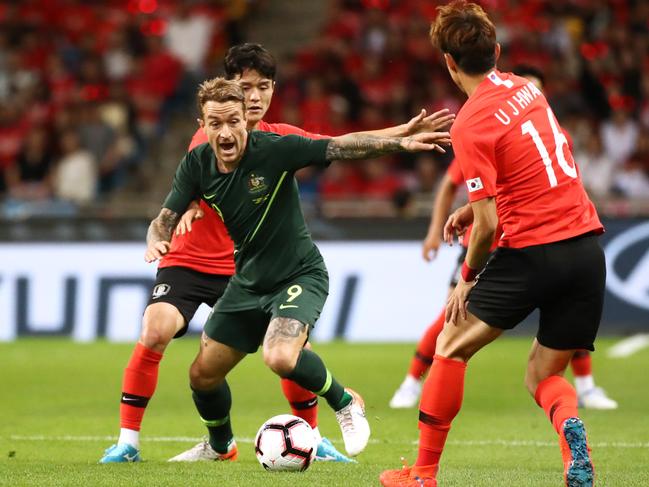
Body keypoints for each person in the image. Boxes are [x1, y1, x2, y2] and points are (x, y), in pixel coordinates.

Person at [100, 43, 453, 464]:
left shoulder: (276, 145)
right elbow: (165, 213)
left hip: (296, 273)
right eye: (218, 122)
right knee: (201, 375)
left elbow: (341, 145)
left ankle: (344, 403)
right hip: (244, 278)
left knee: (280, 355)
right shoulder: (198, 158)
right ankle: (218, 446)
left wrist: (401, 138)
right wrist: (157, 235)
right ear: (204, 123)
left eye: (240, 113)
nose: (227, 131)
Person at [380, 2, 604, 486]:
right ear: (498, 51)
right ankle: (570, 433)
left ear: (448, 62)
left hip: (532, 252)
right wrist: (480, 206)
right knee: (543, 376)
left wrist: (468, 278)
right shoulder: (528, 89)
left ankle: (421, 474)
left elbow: (486, 226)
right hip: (586, 247)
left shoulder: (470, 123)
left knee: (450, 345)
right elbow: (530, 173)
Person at [389, 65, 617, 411]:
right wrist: (440, 228)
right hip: (556, 239)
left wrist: (468, 265)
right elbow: (460, 185)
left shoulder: (478, 124)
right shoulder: (530, 116)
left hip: (515, 242)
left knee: (452, 337)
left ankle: (425, 464)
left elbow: (493, 213)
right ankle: (410, 382)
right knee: (549, 341)